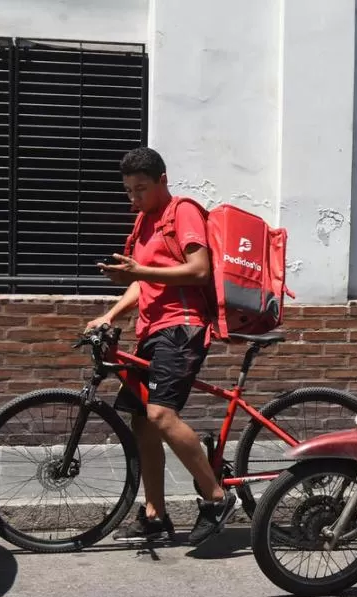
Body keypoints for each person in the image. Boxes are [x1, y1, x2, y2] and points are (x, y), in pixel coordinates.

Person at [84, 146, 236, 546]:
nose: (135, 198)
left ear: (162, 181)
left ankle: (217, 498)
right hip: (151, 331)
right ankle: (155, 515)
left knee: (161, 414)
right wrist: (109, 315)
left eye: (142, 189)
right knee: (139, 421)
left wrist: (141, 270)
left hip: (181, 328)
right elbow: (141, 282)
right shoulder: (144, 223)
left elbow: (199, 270)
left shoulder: (181, 211)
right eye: (129, 191)